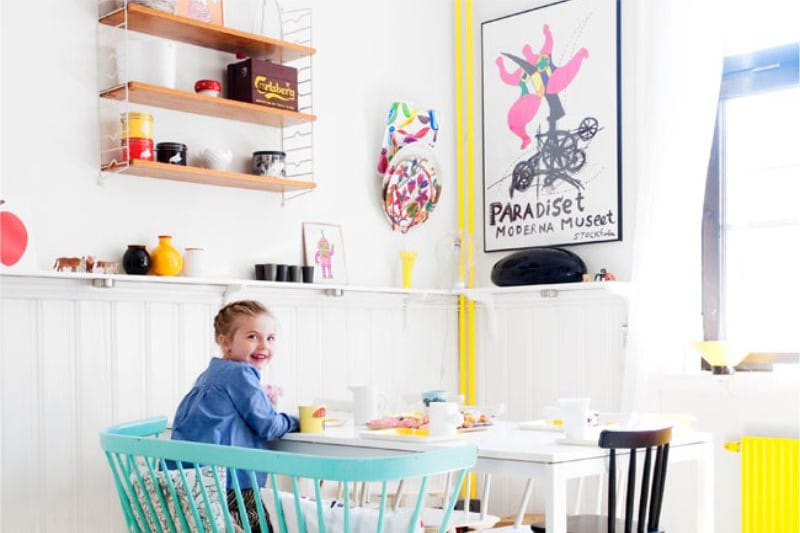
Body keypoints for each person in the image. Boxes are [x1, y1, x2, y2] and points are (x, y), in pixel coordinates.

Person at [171, 299, 299, 533]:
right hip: (233, 485)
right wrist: (297, 421)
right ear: (225, 342)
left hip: (193, 486)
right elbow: (269, 426)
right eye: (252, 337)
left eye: (270, 338)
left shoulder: (209, 376)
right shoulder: (240, 374)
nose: (263, 345)